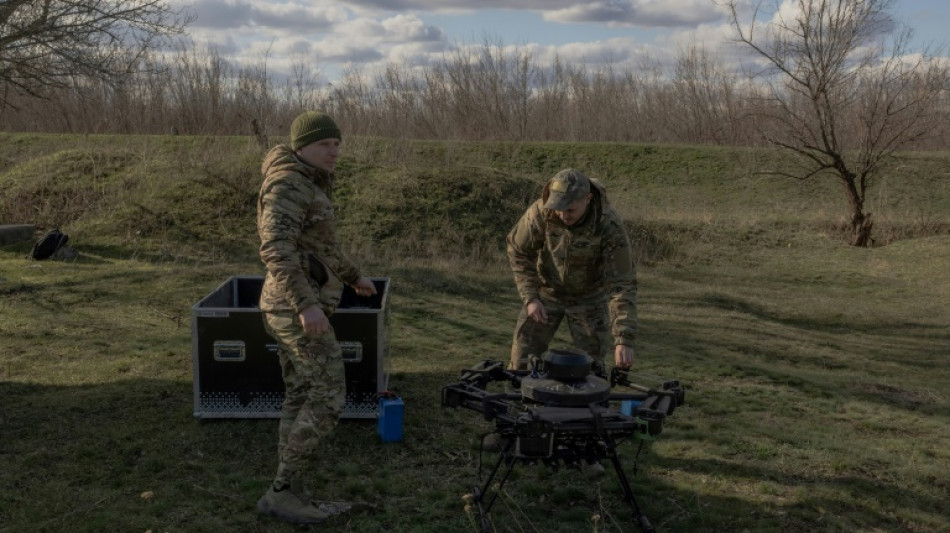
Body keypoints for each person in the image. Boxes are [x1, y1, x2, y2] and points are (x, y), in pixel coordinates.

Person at [255, 110, 377, 524]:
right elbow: (275, 248)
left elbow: (322, 247)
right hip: (293, 307)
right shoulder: (289, 183)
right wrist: (305, 305)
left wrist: (354, 277)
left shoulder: (309, 182)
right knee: (328, 396)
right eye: (325, 144)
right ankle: (281, 491)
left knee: (300, 393)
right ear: (302, 147)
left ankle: (290, 485)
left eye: (337, 143)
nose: (334, 151)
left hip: (294, 304)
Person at [506, 168, 637, 373]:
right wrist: (530, 298)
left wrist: (623, 338)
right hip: (546, 293)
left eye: (570, 210)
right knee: (522, 358)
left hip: (589, 299)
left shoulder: (608, 225)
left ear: (588, 199)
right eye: (558, 208)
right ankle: (519, 393)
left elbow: (622, 282)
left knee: (590, 368)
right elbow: (518, 250)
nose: (562, 215)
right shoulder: (541, 212)